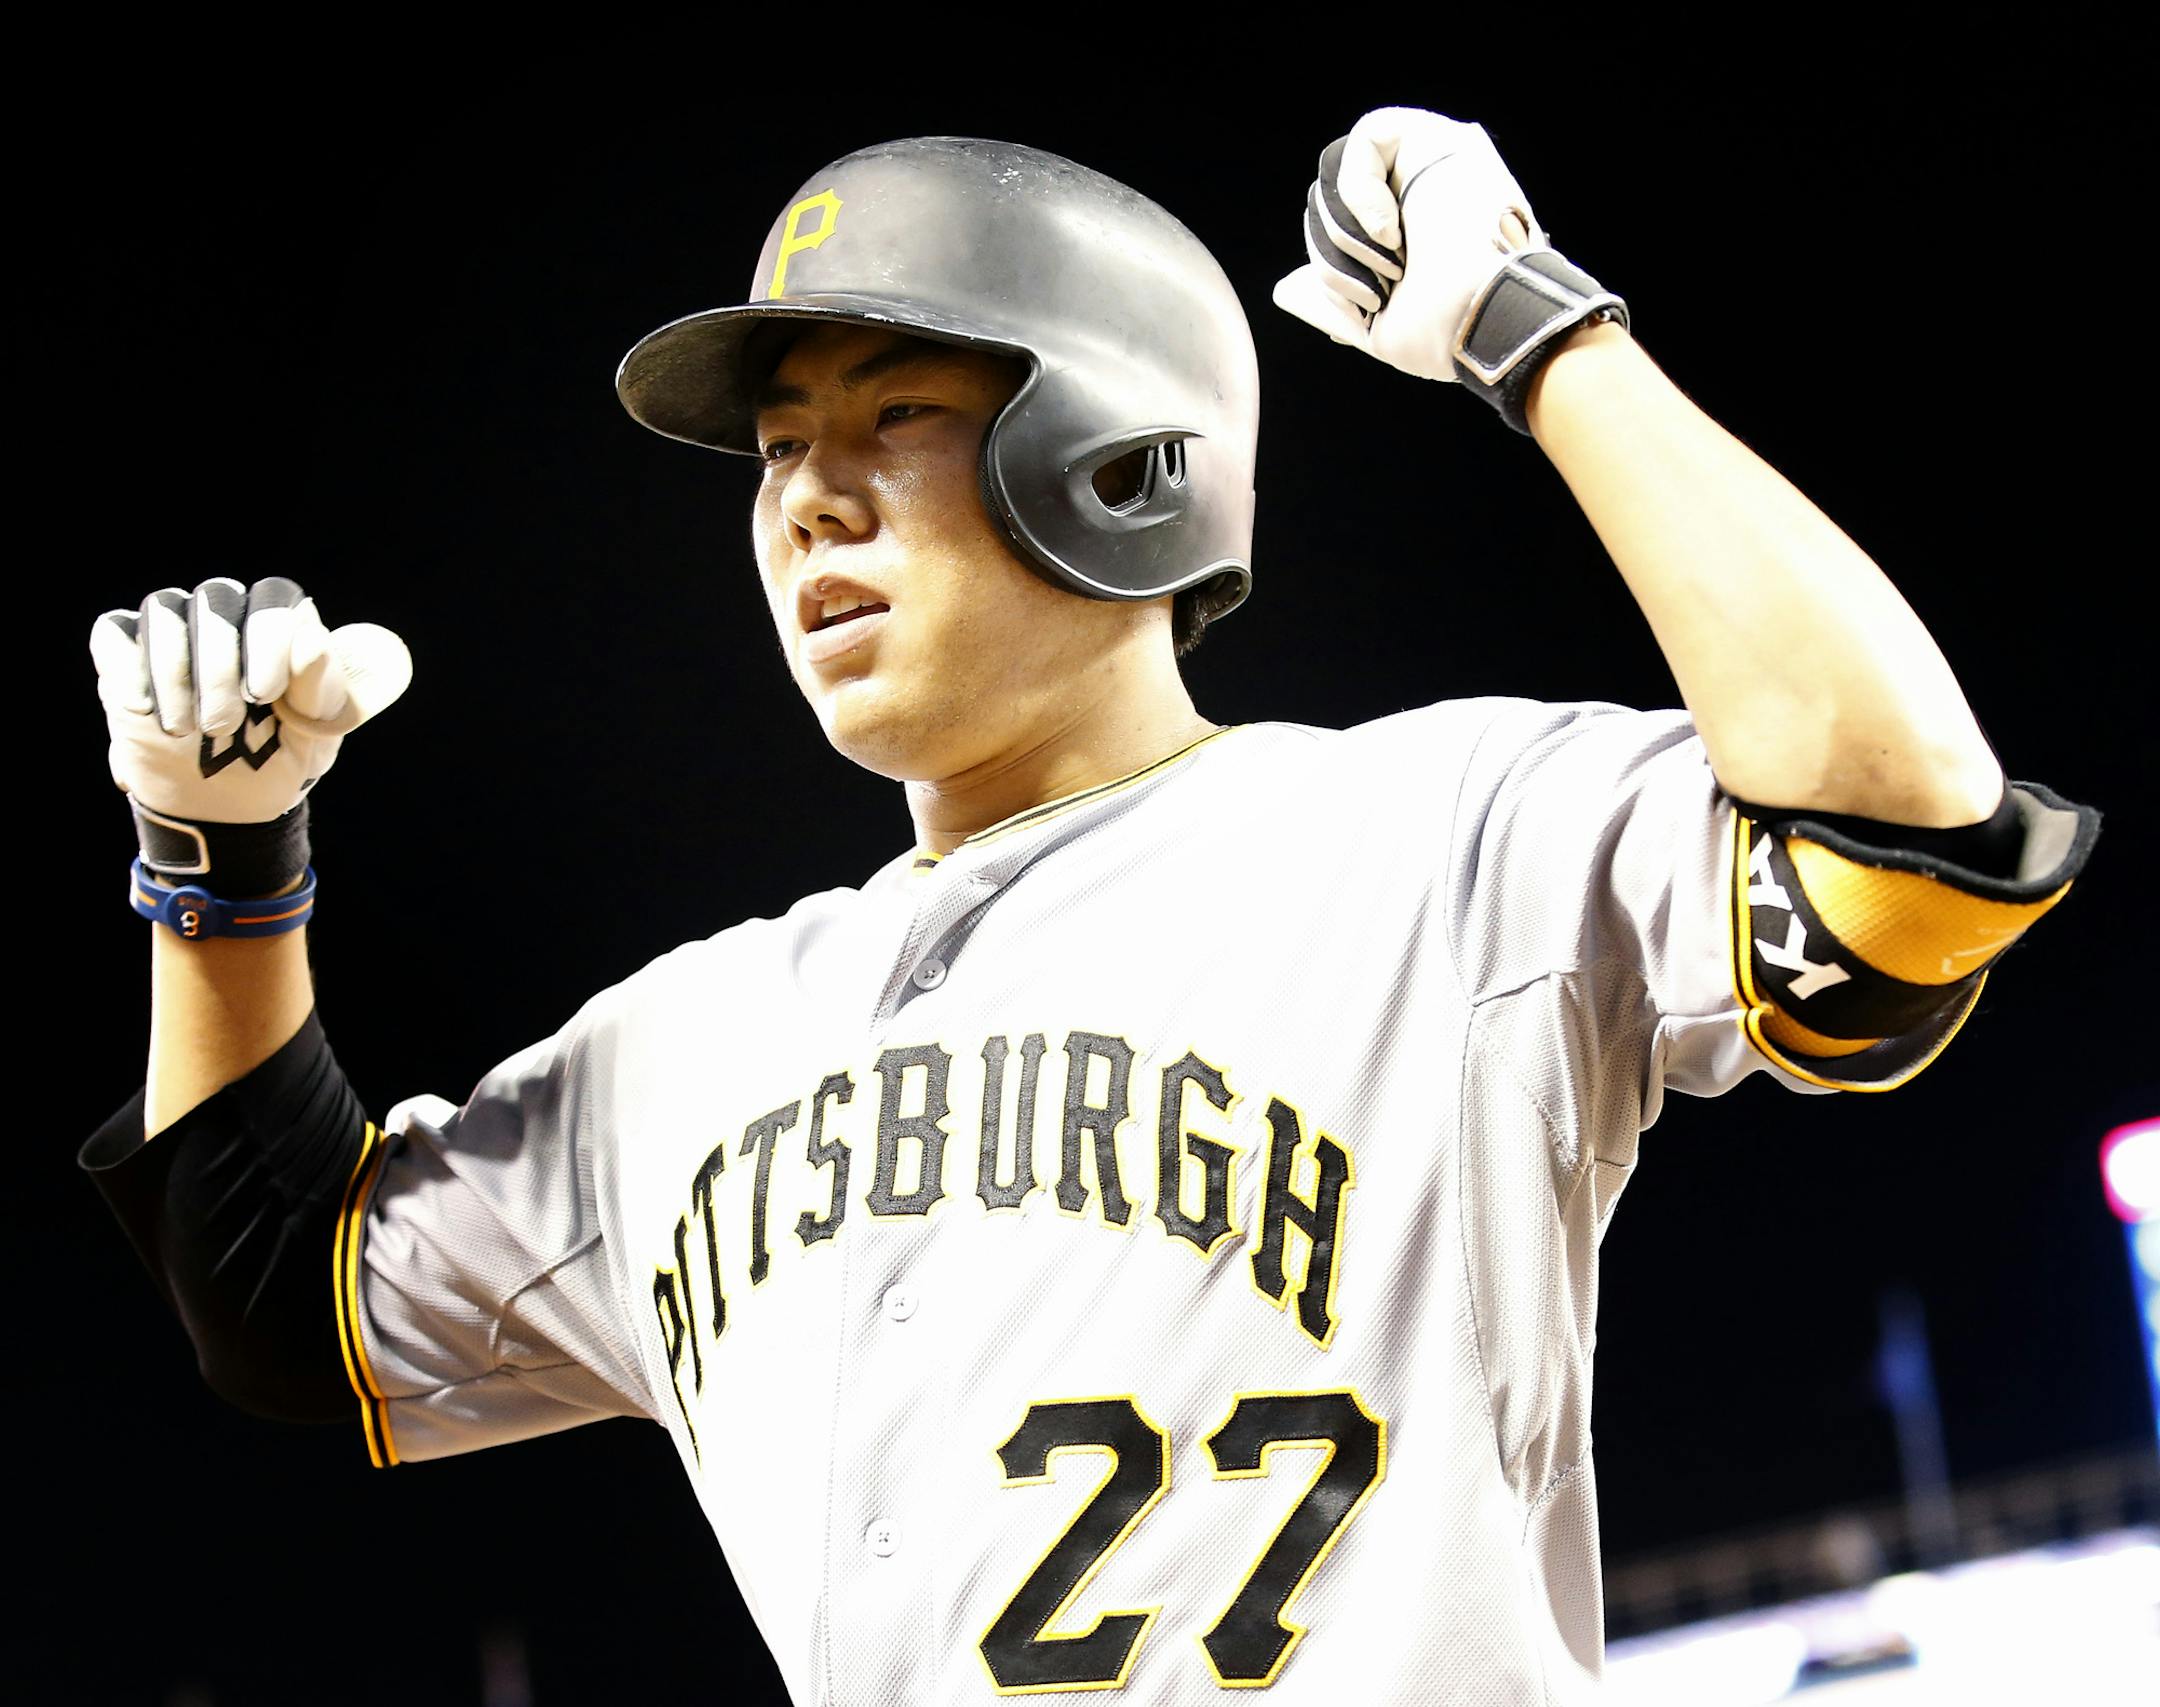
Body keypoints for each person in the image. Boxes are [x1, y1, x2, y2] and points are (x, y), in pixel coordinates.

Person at [83, 111, 2098, 1704]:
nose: (804, 497)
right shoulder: (691, 1042)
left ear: (1122, 459)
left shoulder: (1440, 839)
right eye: (780, 449)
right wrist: (222, 858)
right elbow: (285, 1300)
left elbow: (1903, 844)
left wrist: (1539, 331)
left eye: (891, 417)